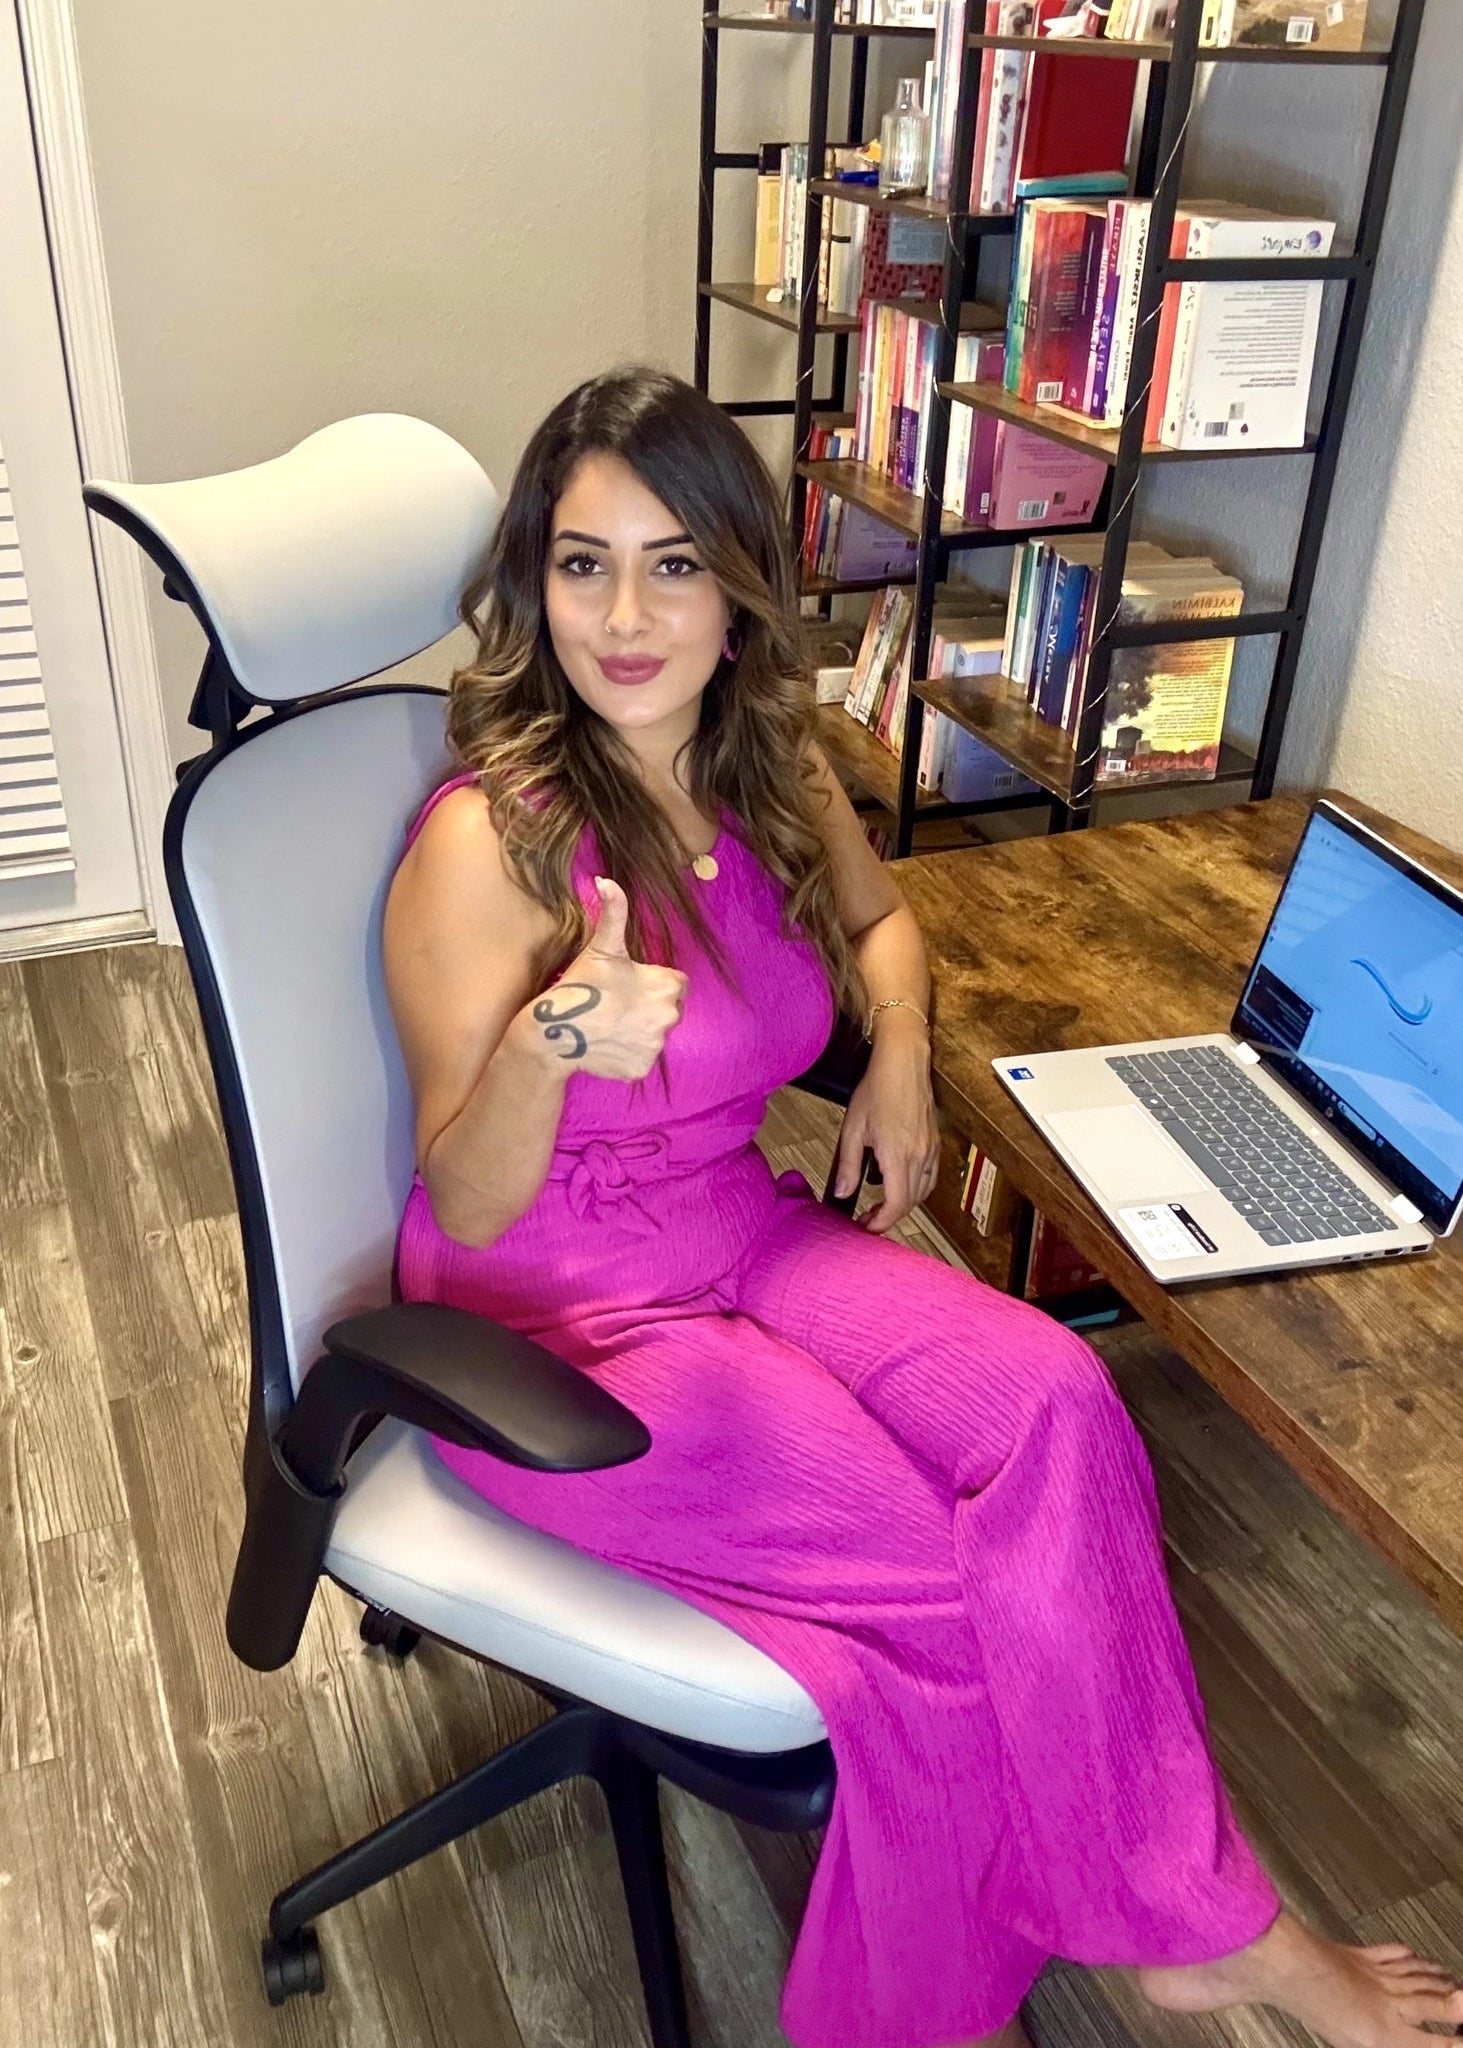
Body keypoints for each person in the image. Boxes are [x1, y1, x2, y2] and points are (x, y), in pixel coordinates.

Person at [383, 366, 1460, 2048]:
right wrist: (549, 1042)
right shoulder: (487, 846)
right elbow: (464, 1178)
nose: (625, 615)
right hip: (552, 1318)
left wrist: (896, 1051)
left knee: (1060, 1399)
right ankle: (1071, 1970)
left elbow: (885, 931)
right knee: (945, 1598)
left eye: (675, 565)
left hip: (739, 1232)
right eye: (582, 563)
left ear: (740, 594)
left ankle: (1163, 1918)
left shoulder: (768, 770)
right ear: (531, 582)